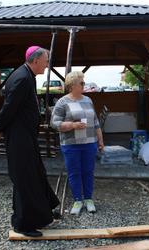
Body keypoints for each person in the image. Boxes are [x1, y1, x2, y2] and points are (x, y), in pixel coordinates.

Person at [0, 46, 60, 237]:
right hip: (20, 137)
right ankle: (23, 224)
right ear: (35, 61)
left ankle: (42, 212)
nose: (47, 66)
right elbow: (8, 108)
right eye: (46, 61)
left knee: (35, 174)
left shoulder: (25, 75)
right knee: (24, 179)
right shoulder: (22, 78)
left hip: (25, 136)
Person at [51, 71, 104, 215]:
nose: (84, 84)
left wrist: (100, 140)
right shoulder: (62, 102)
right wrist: (72, 125)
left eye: (83, 82)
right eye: (81, 83)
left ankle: (88, 199)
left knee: (88, 172)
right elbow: (54, 123)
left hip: (89, 143)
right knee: (74, 172)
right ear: (71, 85)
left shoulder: (88, 100)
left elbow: (95, 121)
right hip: (70, 144)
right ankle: (77, 200)